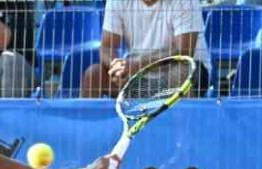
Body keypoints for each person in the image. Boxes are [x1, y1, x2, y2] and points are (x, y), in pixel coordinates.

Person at [81, 0, 211, 98]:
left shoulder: (186, 2)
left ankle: (183, 132)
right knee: (93, 75)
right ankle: (86, 132)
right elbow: (106, 47)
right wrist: (117, 68)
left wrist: (138, 65)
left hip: (184, 69)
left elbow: (184, 52)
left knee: (182, 73)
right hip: (136, 75)